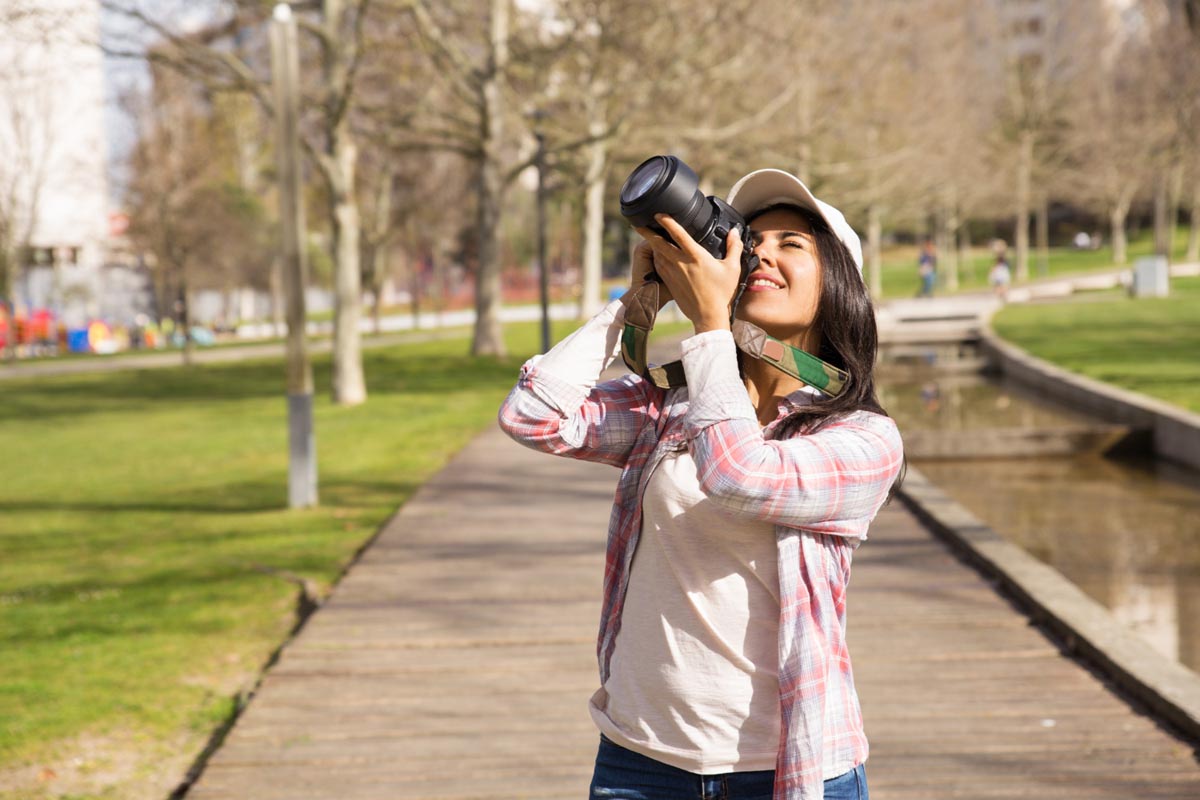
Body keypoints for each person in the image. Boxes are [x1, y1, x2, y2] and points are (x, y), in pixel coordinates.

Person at [499, 168, 904, 800]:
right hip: (640, 759)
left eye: (791, 244)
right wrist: (634, 303)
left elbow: (738, 473)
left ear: (838, 289)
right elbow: (533, 416)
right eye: (751, 241)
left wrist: (712, 326)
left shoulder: (863, 439)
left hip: (783, 767)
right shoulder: (672, 409)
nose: (761, 253)